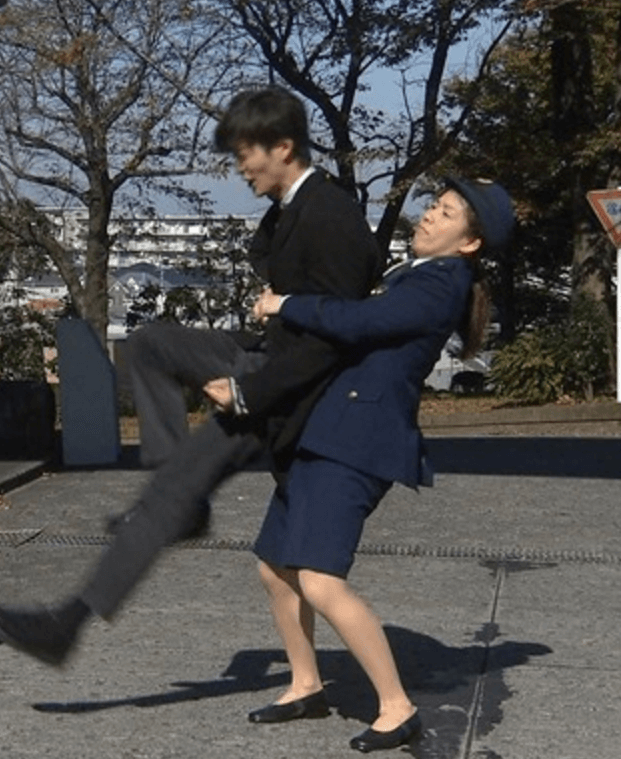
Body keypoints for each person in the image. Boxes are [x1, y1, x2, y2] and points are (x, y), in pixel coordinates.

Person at [0, 86, 385, 666]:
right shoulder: (295, 208)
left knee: (166, 496)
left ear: (284, 146)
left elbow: (331, 342)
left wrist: (247, 391)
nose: (241, 167)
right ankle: (180, 496)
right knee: (148, 343)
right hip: (263, 357)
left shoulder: (331, 215)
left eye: (247, 153)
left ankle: (68, 621)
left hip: (288, 393)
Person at [208, 177, 513, 753]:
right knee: (275, 567)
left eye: (445, 214)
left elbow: (357, 324)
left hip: (357, 442)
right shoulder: (418, 276)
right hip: (327, 434)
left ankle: (397, 708)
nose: (428, 217)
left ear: (469, 243)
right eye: (434, 207)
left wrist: (285, 303)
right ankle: (305, 684)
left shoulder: (442, 284)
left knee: (321, 579)